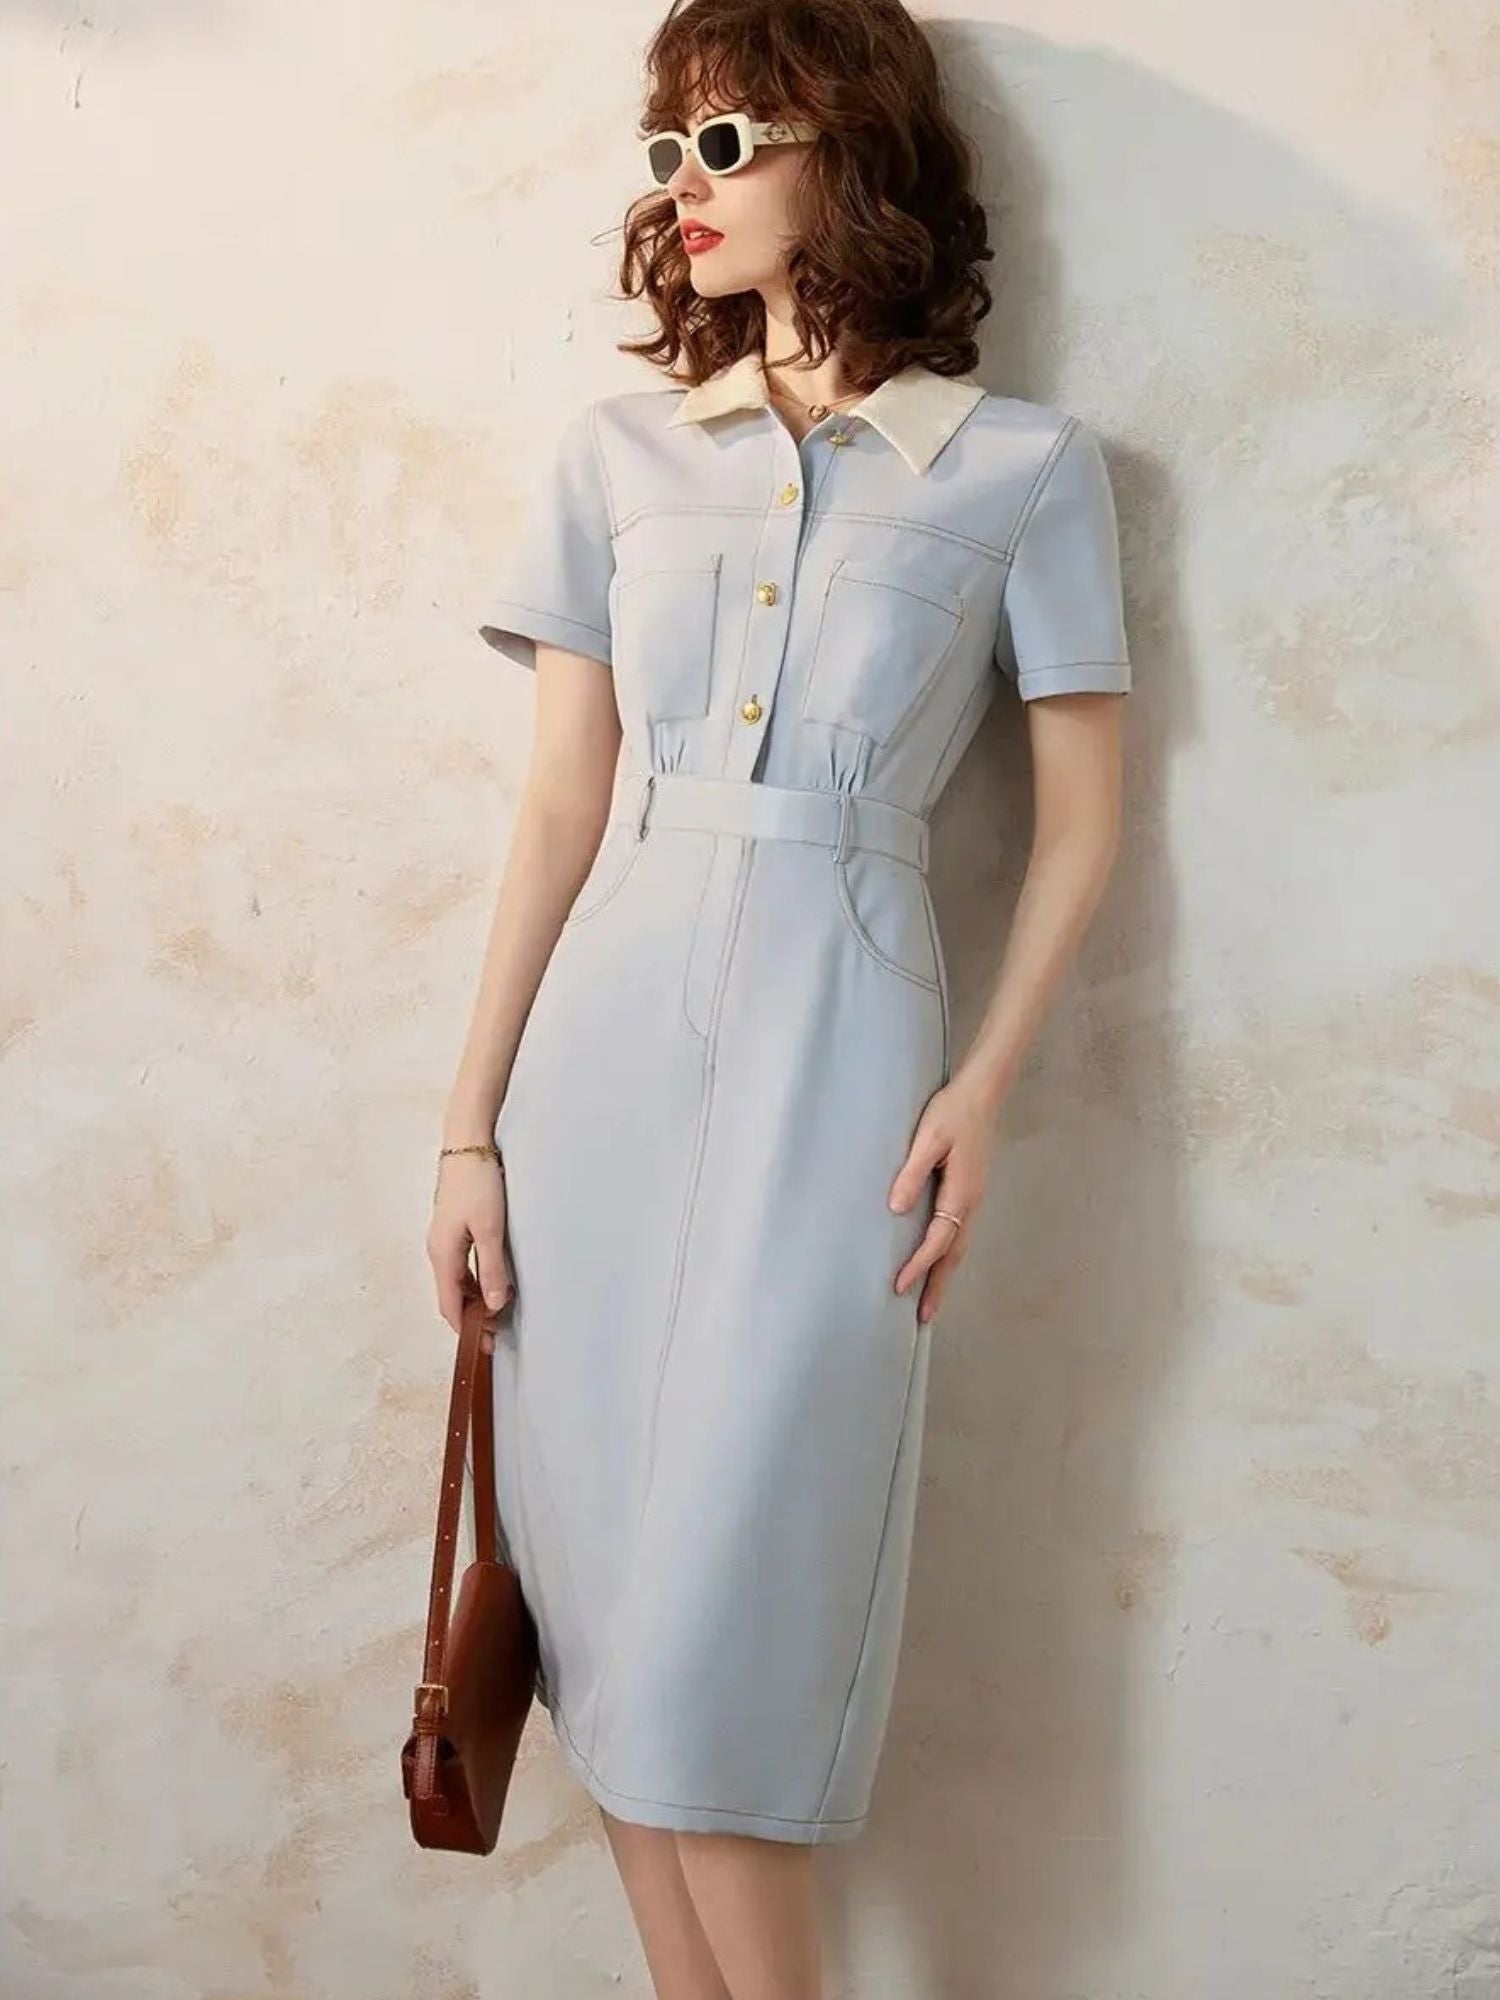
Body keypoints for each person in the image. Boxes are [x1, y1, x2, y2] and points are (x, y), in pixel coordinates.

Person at [428, 0, 1130, 1991]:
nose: (686, 189)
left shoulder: (1023, 468)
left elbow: (1085, 817)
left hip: (850, 1041)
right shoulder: (623, 454)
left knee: (726, 1646)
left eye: (727, 140)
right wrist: (470, 1124)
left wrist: (982, 1088)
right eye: (669, 152)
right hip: (602, 1068)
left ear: (851, 145)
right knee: (612, 1647)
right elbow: (562, 799)